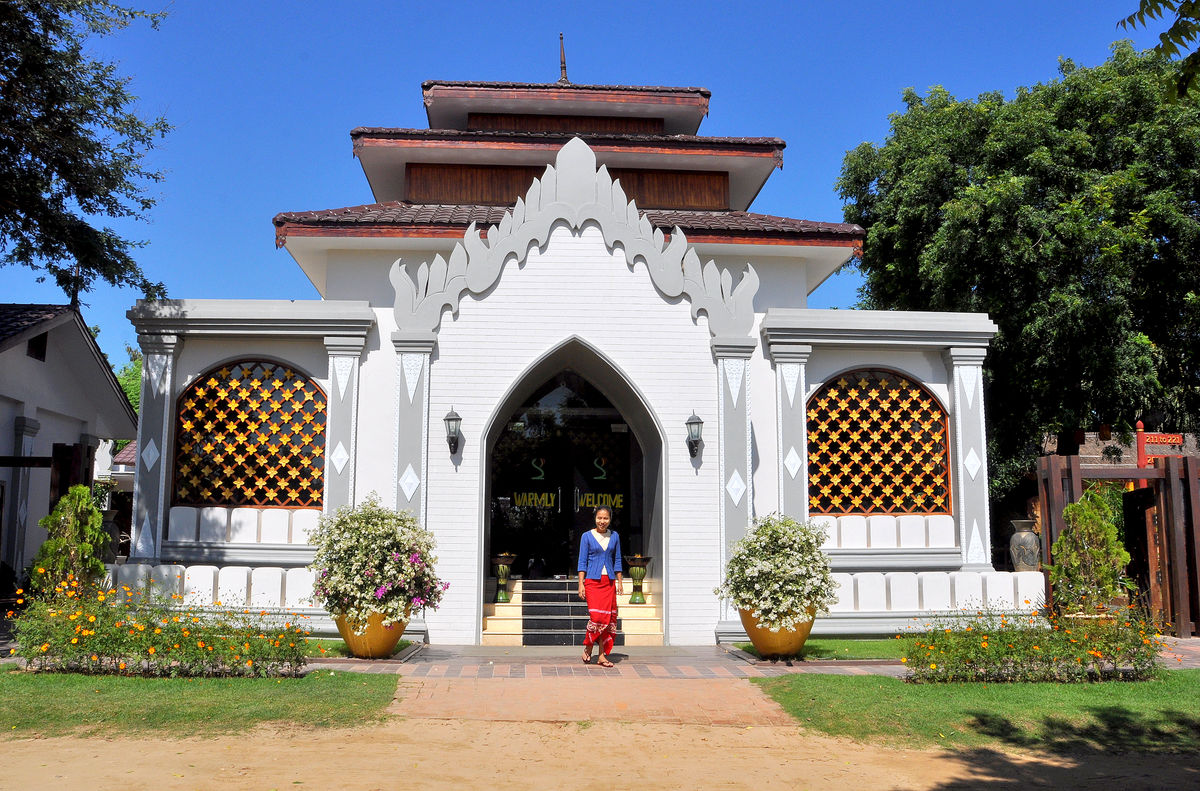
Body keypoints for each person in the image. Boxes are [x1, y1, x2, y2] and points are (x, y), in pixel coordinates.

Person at [576, 505, 623, 667]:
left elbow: (617, 560)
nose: (602, 521)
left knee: (607, 620)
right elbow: (582, 561)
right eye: (599, 518)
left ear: (610, 519)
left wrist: (620, 582)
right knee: (597, 618)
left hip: (608, 582)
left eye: (606, 518)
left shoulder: (615, 536)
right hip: (592, 582)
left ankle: (602, 656)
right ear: (595, 518)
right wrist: (580, 583)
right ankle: (588, 648)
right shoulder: (586, 537)